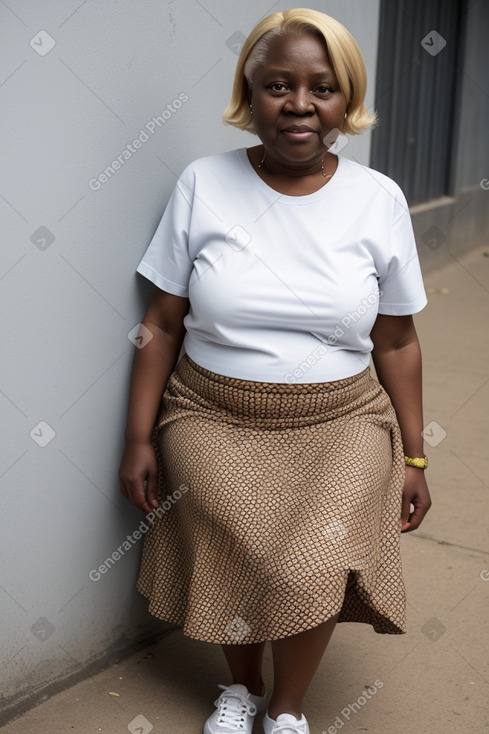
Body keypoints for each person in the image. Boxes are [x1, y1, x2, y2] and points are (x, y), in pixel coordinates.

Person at [119, 8, 432, 734]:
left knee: (308, 566)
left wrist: (414, 454)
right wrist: (137, 438)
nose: (298, 105)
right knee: (241, 549)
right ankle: (241, 690)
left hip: (342, 418)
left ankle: (286, 709)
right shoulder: (204, 183)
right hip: (212, 412)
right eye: (277, 85)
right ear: (249, 95)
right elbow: (161, 323)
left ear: (345, 100)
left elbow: (396, 341)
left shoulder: (377, 199)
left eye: (321, 88)